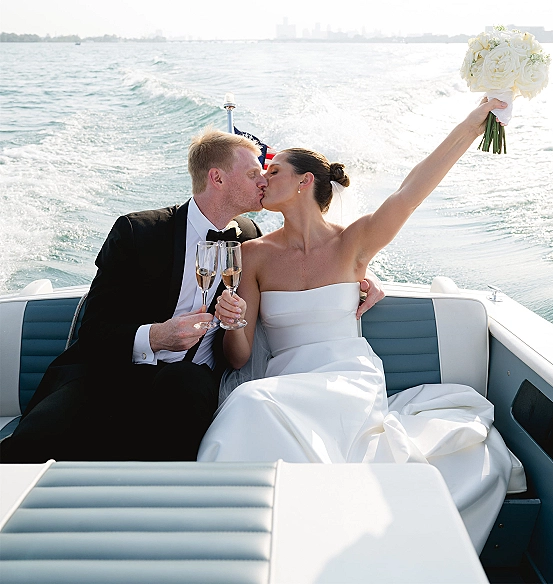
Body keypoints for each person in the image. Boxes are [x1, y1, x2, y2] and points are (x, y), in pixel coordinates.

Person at [197, 98, 514, 552]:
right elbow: (240, 357)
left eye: (274, 171)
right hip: (283, 380)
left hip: (348, 377)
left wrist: (474, 121)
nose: (263, 179)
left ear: (305, 182)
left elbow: (412, 191)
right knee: (250, 401)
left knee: (258, 405)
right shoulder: (253, 255)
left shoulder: (354, 243)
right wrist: (231, 321)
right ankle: (238, 543)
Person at [0, 129, 381, 464]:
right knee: (32, 446)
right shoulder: (138, 232)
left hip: (190, 381)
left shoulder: (249, 240)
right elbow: (96, 328)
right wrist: (156, 336)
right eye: (253, 173)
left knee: (184, 393)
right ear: (217, 178)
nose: (263, 180)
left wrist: (362, 277)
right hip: (108, 373)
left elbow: (310, 257)